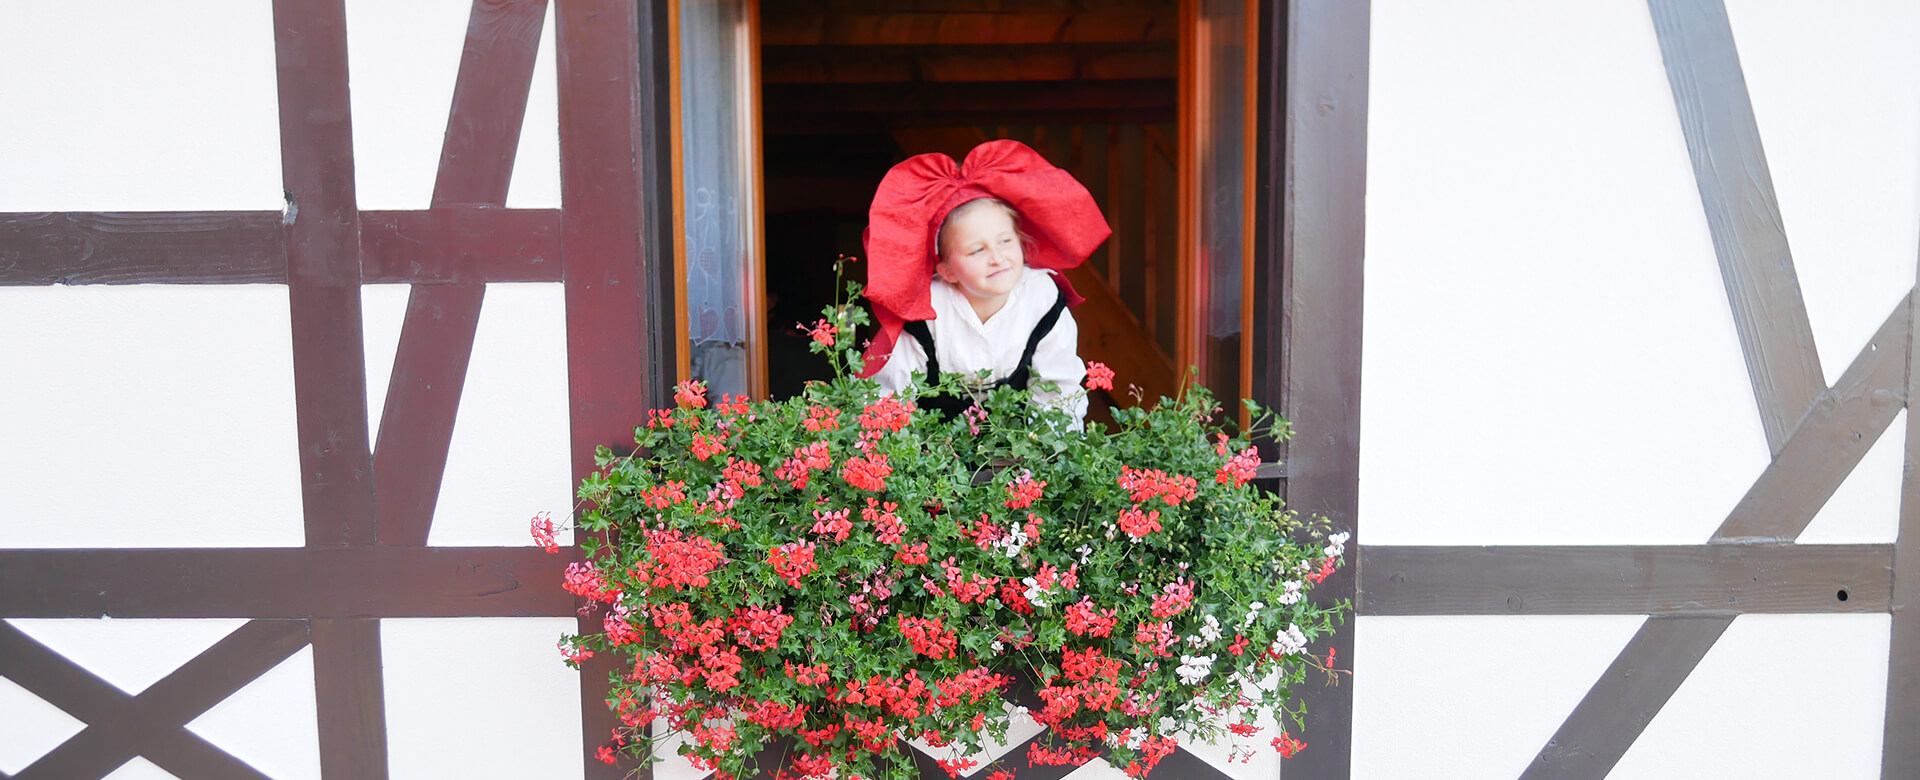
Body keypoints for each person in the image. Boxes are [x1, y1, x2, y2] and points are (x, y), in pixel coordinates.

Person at [858, 140, 1111, 426]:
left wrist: (1050, 458)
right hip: (934, 452)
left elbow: (1058, 394)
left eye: (1005, 241)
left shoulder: (1041, 299)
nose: (997, 258)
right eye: (977, 250)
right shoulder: (926, 310)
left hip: (1021, 454)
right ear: (947, 270)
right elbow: (888, 396)